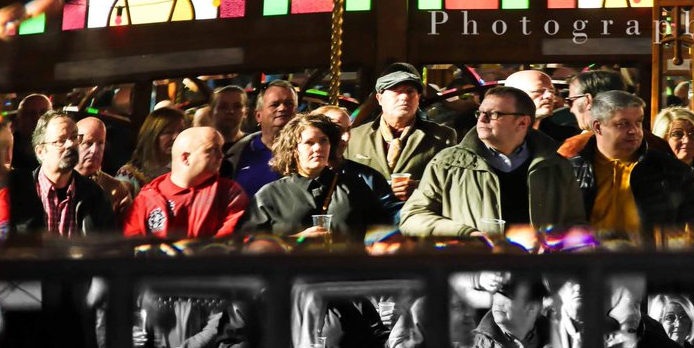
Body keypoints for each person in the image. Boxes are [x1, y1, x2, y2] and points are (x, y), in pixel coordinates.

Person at [399, 86, 586, 239]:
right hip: (476, 274)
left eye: (494, 114)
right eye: (479, 113)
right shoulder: (448, 163)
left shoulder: (555, 164)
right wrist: (466, 233)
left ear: (522, 123)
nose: (482, 119)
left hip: (539, 275)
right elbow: (412, 217)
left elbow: (575, 223)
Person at [566, 91, 694, 238]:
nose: (634, 131)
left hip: (651, 258)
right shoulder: (569, 171)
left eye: (638, 122)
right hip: (586, 257)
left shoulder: (675, 172)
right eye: (623, 124)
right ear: (598, 127)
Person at [0, 111, 118, 252]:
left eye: (74, 137)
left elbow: (109, 253)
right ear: (40, 152)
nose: (70, 145)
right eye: (60, 141)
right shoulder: (12, 193)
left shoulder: (95, 196)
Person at [246, 113, 396, 238]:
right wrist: (294, 241)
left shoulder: (354, 187)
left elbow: (382, 232)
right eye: (309, 143)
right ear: (293, 150)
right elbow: (250, 245)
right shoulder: (270, 195)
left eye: (323, 141)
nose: (318, 148)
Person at [346, 63, 456, 206]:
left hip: (417, 219)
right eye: (396, 91)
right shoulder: (355, 137)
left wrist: (420, 188)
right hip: (368, 220)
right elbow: (342, 185)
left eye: (410, 91)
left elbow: (453, 183)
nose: (404, 97)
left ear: (418, 98)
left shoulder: (442, 137)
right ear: (379, 98)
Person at [124, 127, 248, 239]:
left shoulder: (229, 193)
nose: (222, 155)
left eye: (221, 149)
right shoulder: (147, 198)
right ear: (186, 158)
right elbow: (132, 244)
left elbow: (230, 240)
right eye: (213, 150)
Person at [459, 275, 550, 348]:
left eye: (509, 294)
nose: (498, 300)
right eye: (497, 291)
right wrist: (477, 279)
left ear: (532, 307)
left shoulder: (560, 344)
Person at [226, 80, 298, 198]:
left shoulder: (307, 150)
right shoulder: (237, 154)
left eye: (289, 103)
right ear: (259, 116)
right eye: (275, 104)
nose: (283, 108)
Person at [117, 106, 189, 199]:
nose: (176, 137)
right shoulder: (129, 174)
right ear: (152, 136)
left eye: (181, 131)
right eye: (168, 132)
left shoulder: (185, 172)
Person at [557, 69, 631, 156]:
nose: (571, 109)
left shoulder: (574, 148)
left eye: (570, 101)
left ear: (588, 100)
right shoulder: (646, 139)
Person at [76, 116, 131, 219]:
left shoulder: (117, 190)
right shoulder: (60, 182)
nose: (95, 150)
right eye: (88, 143)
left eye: (100, 143)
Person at [505, 68, 580, 142]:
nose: (549, 96)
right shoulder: (496, 133)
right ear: (513, 96)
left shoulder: (568, 136)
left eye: (552, 91)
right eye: (539, 91)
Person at [10, 93, 51, 171]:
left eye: (43, 113)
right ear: (18, 121)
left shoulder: (62, 150)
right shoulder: (7, 150)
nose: (38, 118)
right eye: (30, 114)